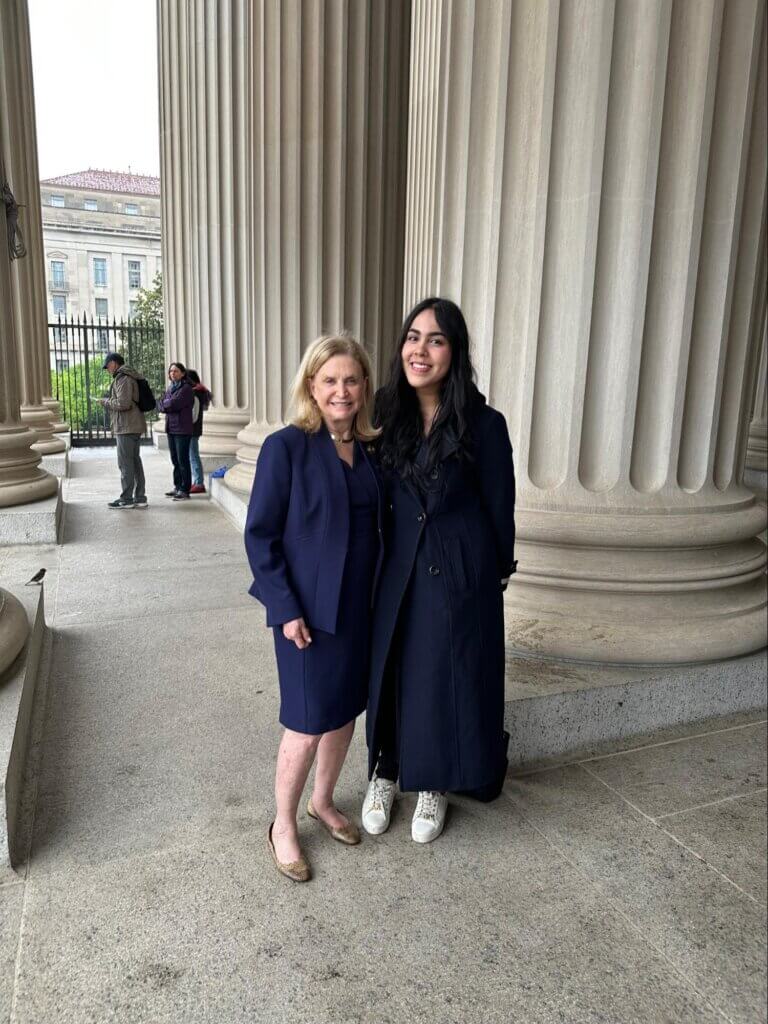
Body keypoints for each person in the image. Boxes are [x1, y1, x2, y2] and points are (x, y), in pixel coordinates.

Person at [362, 297, 517, 844]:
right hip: (396, 567)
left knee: (443, 673)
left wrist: (493, 574)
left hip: (457, 567)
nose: (419, 350)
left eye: (435, 339)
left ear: (455, 351)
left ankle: (435, 782)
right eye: (412, 336)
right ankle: (385, 769)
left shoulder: (484, 424)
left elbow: (500, 505)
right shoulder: (382, 412)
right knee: (393, 667)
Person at [245, 335, 383, 882]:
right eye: (329, 380)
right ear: (311, 386)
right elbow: (261, 536)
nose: (341, 390)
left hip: (360, 610)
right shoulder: (287, 447)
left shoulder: (371, 448)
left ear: (365, 386)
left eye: (351, 379)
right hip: (305, 614)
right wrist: (284, 607)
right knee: (305, 723)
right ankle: (282, 824)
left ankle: (321, 802)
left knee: (344, 712)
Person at [99, 352, 148, 510]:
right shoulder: (128, 376)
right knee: (134, 462)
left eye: (107, 366)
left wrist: (106, 402)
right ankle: (139, 497)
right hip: (132, 425)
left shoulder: (123, 378)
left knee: (126, 464)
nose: (107, 369)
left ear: (114, 363)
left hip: (126, 427)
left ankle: (127, 499)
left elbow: (123, 403)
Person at [156, 362, 195, 501]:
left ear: (183, 373)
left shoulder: (186, 389)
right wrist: (166, 403)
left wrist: (166, 403)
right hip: (171, 429)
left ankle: (185, 490)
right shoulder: (171, 388)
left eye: (176, 371)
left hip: (182, 429)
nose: (173, 373)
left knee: (182, 460)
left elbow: (174, 404)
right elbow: (160, 404)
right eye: (171, 371)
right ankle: (178, 486)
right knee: (174, 460)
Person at [185, 369, 212, 494]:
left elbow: (193, 415)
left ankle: (199, 482)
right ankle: (197, 481)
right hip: (192, 429)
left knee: (193, 456)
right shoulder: (196, 392)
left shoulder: (194, 394)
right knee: (192, 456)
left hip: (191, 430)